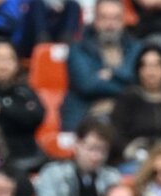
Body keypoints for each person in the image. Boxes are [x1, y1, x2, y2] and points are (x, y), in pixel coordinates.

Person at [61, 0, 143, 131]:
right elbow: (87, 85)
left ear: (123, 21)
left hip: (129, 117)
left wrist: (110, 73)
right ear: (95, 20)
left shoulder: (136, 48)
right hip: (87, 117)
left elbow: (138, 80)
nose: (110, 25)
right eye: (104, 18)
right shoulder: (78, 49)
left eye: (116, 18)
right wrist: (125, 83)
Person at [0, 39, 45, 174]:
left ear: (17, 63)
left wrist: (1, 111)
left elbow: (36, 117)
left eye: (8, 59)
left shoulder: (26, 93)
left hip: (26, 156)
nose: (3, 65)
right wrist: (17, 117)